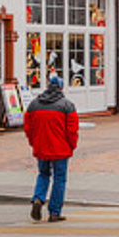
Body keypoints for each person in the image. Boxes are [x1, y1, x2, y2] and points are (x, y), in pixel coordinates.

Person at [24, 73, 79, 222]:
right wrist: (72, 146)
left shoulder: (34, 105)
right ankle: (54, 212)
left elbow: (28, 128)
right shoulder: (67, 106)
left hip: (41, 147)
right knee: (59, 179)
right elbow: (72, 130)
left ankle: (38, 198)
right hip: (61, 149)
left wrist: (33, 143)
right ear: (61, 88)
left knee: (43, 174)